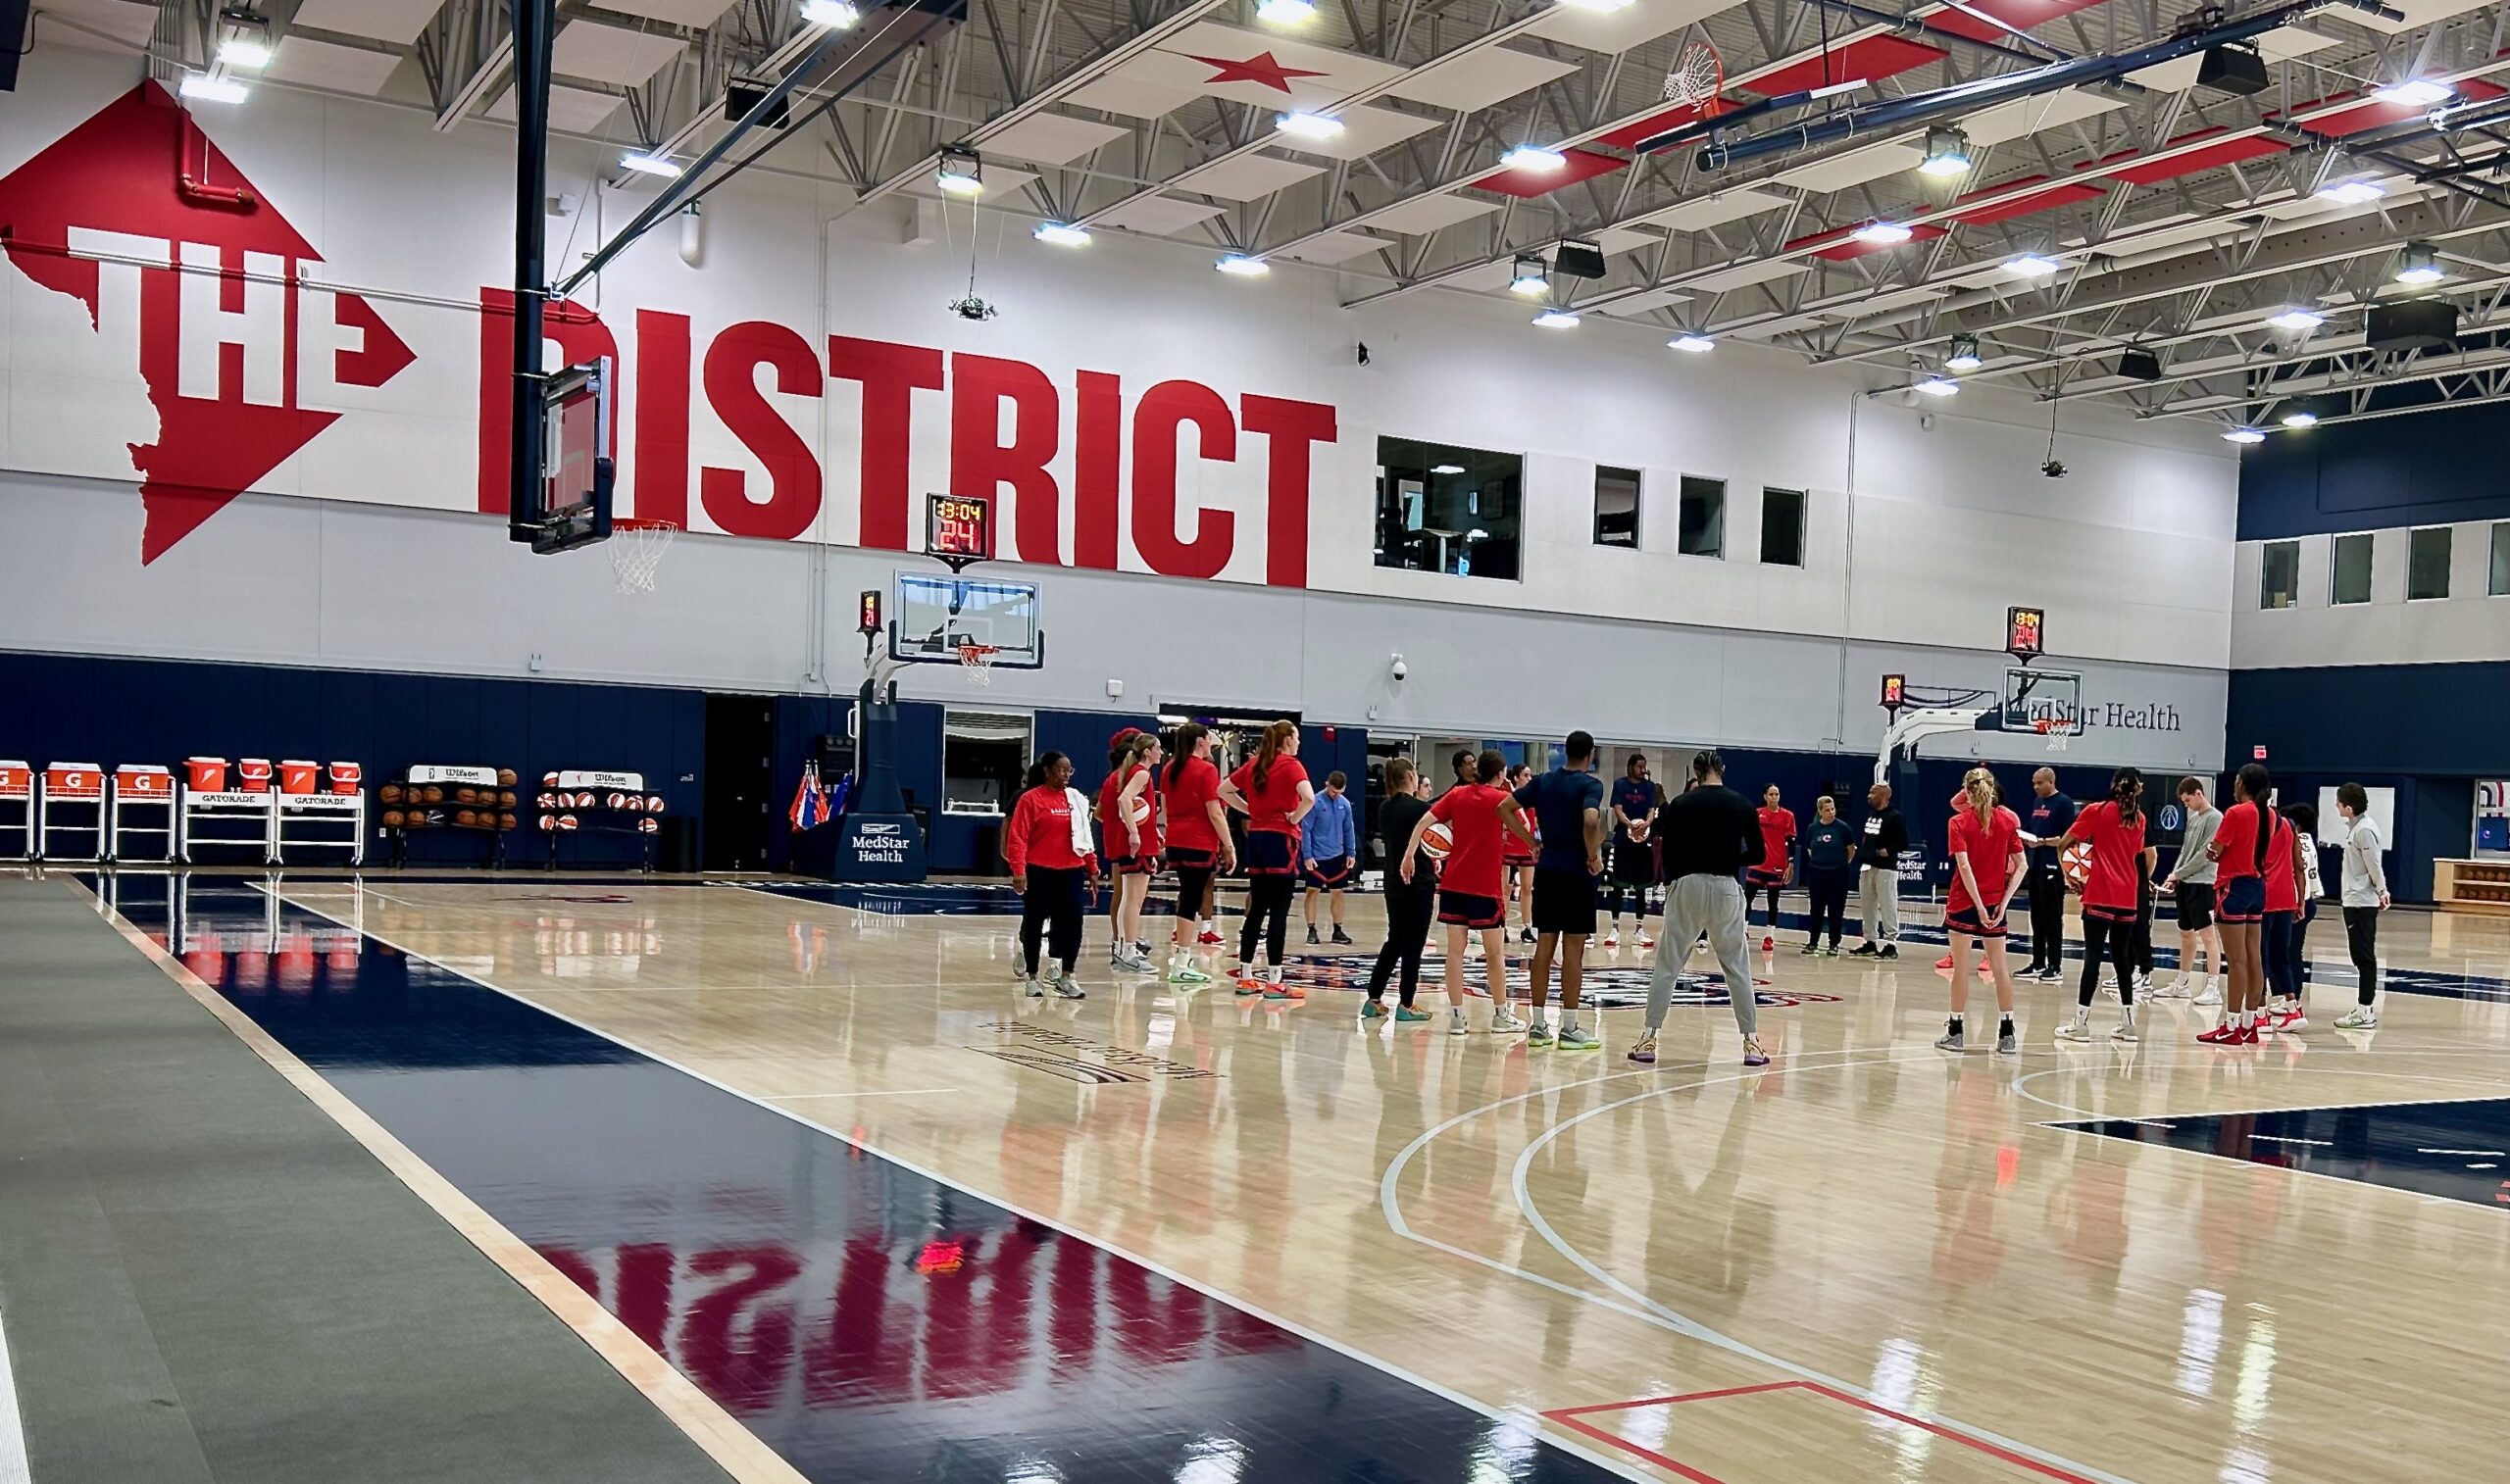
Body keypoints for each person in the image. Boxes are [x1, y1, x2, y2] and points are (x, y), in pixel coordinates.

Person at [1628, 751, 1772, 1068]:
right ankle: (1751, 1044)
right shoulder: (1743, 804)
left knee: (1668, 965)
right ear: (1722, 769)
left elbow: (1668, 849)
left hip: (1687, 886)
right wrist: (1730, 858)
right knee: (1737, 968)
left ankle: (1649, 1038)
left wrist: (1674, 882)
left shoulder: (1680, 804)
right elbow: (1759, 853)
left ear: (1696, 770)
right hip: (1726, 888)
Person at [1406, 751, 1521, 1036]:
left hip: (1454, 884)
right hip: (1485, 888)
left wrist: (1409, 856)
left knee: (1454, 954)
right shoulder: (1501, 799)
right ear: (1501, 774)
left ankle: (1457, 1018)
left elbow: (1423, 822)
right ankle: (1501, 1015)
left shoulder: (1456, 795)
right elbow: (1526, 827)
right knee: (1495, 954)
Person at [1505, 731, 1607, 1051]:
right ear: (1589, 754)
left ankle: (1537, 1025)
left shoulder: (1544, 781)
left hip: (1547, 871)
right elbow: (1591, 821)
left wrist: (1530, 840)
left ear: (1565, 752)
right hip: (1577, 874)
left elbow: (1505, 808)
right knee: (1573, 951)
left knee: (1544, 948)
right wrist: (1593, 857)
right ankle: (1570, 1027)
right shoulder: (1591, 785)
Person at [2054, 767, 2150, 1044]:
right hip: (2128, 895)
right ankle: (2128, 1023)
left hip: (2100, 893)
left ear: (2113, 784)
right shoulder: (2140, 819)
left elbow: (2064, 844)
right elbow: (2134, 854)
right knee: (2122, 958)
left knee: (2093, 957)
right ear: (2139, 788)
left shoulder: (2096, 810)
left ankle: (2081, 1023)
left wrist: (2069, 874)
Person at [1220, 720, 1315, 998]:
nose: (1299, 742)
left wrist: (1250, 810)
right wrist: (1294, 817)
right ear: (1286, 739)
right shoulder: (1291, 765)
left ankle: (1246, 976)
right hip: (1280, 839)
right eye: (1296, 737)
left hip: (1258, 840)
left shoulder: (1256, 764)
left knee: (1257, 908)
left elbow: (1223, 790)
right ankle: (1275, 980)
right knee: (1279, 912)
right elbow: (1308, 798)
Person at [1935, 767, 2026, 1055]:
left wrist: (1977, 904)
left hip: (1965, 901)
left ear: (1967, 791)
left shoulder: (1958, 822)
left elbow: (1964, 867)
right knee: (2000, 968)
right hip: (1995, 902)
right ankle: (2007, 1033)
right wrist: (2002, 903)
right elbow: (2022, 865)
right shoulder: (2008, 820)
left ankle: (1956, 1031)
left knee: (1960, 969)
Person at [1003, 751, 1096, 1000]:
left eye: (1069, 771)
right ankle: (1032, 976)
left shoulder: (1075, 799)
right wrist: (1019, 870)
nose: (1066, 775)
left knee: (1073, 921)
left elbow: (1084, 837)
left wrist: (1092, 866)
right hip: (1040, 871)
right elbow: (1018, 837)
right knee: (1034, 923)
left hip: (1071, 871)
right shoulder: (1030, 800)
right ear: (1047, 771)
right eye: (1061, 770)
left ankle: (1067, 975)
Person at [2201, 763, 2281, 1046]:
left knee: (2236, 961)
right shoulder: (2270, 815)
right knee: (2254, 958)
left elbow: (2216, 850)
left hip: (2233, 886)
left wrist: (2212, 851)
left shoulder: (2236, 813)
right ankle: (2250, 1023)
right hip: (2258, 886)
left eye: (2236, 780)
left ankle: (2231, 1025)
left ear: (2243, 784)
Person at [1363, 759, 1437, 1024]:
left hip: (1393, 881)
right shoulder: (1420, 809)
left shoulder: (1385, 808)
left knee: (1394, 940)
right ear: (1410, 775)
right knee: (1414, 944)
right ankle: (1406, 1002)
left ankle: (1373, 998)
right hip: (1418, 882)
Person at [1158, 724, 1233, 986]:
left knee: (1187, 895)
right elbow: (1214, 812)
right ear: (1200, 741)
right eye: (1208, 738)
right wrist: (1229, 845)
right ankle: (1182, 962)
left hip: (1176, 839)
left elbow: (1165, 811)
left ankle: (1183, 958)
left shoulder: (1169, 769)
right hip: (1199, 841)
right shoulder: (1206, 770)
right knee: (1192, 898)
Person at [2156, 777, 2224, 1006]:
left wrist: (2180, 873)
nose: (2187, 805)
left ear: (2198, 793)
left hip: (2203, 884)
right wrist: (2174, 875)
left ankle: (2213, 987)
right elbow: (2186, 851)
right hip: (2186, 882)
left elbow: (2206, 854)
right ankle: (2182, 983)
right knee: (2185, 932)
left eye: (2188, 800)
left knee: (2207, 935)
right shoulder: (2194, 818)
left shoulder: (2215, 818)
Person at [1099, 730, 1163, 973]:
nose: (1161, 752)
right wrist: (1135, 832)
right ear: (1147, 751)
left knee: (1128, 898)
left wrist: (1150, 830)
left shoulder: (1133, 772)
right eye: (1158, 748)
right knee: (1134, 900)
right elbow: (1124, 801)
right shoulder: (1142, 773)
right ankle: (1129, 951)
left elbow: (1133, 805)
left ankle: (1125, 948)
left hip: (1136, 842)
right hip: (1136, 844)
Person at [2334, 783, 2390, 1029]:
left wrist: (2381, 890)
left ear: (2349, 806)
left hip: (2361, 901)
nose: (2336, 806)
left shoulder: (2364, 831)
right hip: (2353, 899)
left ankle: (2366, 1009)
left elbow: (2373, 864)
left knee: (2364, 956)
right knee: (2359, 955)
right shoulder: (2356, 828)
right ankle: (2363, 1007)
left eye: (2338, 802)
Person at [2256, 793, 2310, 1037]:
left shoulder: (2256, 827)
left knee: (2258, 957)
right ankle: (2292, 1008)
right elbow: (2299, 865)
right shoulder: (2289, 826)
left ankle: (2260, 1013)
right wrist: (2301, 901)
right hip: (2286, 899)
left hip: (2262, 899)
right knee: (2281, 957)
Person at [2269, 802, 2324, 1032]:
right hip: (2308, 898)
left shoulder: (2296, 840)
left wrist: (2296, 901)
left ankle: (2293, 996)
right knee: (2290, 951)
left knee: (2291, 952)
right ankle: (2287, 995)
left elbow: (2296, 870)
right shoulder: (2308, 841)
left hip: (2298, 900)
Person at [2017, 767, 2076, 982]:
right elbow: (2032, 829)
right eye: (2034, 783)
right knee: (2037, 917)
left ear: (2051, 782)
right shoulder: (2036, 804)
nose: (2036, 787)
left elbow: (2067, 837)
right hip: (2035, 866)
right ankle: (2038, 961)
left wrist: (2042, 842)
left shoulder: (2064, 803)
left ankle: (2055, 965)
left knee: (2052, 918)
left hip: (2053, 867)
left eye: (2040, 783)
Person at [1604, 753, 1658, 950]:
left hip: (1643, 842)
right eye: (1639, 767)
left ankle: (1639, 928)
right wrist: (1629, 824)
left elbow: (1652, 811)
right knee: (1618, 886)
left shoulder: (1650, 787)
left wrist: (1646, 823)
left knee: (1642, 887)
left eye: (1645, 766)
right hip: (1623, 841)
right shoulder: (1620, 785)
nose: (1643, 770)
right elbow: (1617, 809)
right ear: (1631, 767)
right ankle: (1615, 927)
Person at [1847, 781, 1908, 959]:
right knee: (1867, 906)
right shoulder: (1872, 815)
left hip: (1886, 868)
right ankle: (1870, 941)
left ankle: (1891, 943)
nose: (1868, 796)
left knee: (1888, 904)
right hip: (1867, 865)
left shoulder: (1895, 817)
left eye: (1872, 793)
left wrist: (1888, 850)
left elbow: (1904, 842)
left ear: (1883, 796)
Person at [1300, 770, 1357, 947]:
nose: (1336, 795)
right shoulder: (1315, 802)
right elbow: (1306, 830)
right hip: (1317, 857)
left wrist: (1351, 853)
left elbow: (1349, 830)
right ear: (1327, 785)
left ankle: (1338, 930)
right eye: (1333, 792)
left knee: (1338, 893)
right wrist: (1307, 855)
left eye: (1340, 792)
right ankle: (1311, 929)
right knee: (1312, 892)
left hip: (1337, 856)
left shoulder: (1345, 805)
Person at [1797, 796, 1856, 955]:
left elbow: (1850, 850)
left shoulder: (1843, 828)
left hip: (1838, 873)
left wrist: (1841, 864)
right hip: (1817, 873)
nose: (1831, 812)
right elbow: (1810, 850)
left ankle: (1834, 944)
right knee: (1816, 909)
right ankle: (1813, 942)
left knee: (1836, 909)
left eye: (1833, 809)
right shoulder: (1812, 829)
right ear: (1820, 811)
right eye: (1827, 810)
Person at [1747, 784, 1796, 947]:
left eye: (1777, 794)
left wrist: (1791, 862)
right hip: (1757, 864)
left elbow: (1791, 841)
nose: (1774, 797)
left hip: (1776, 864)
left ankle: (1769, 936)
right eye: (1771, 794)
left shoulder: (1787, 816)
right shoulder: (1757, 814)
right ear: (1765, 796)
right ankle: (1743, 929)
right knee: (1747, 898)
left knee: (1773, 901)